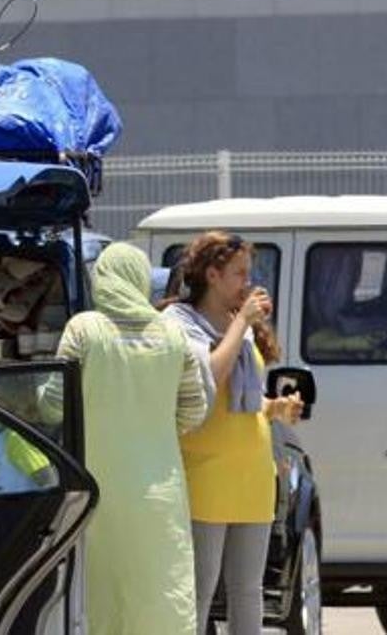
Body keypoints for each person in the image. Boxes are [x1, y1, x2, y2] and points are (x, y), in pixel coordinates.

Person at [48, 242, 208, 635]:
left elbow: (53, 404)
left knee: (101, 601)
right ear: (140, 281)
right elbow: (194, 410)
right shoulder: (173, 334)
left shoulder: (84, 330)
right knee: (160, 598)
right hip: (159, 498)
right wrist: (150, 426)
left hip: (96, 495)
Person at [160, 232, 302, 635]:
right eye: (239, 273)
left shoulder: (239, 324)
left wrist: (275, 407)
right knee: (200, 590)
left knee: (247, 591)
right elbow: (207, 376)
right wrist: (242, 323)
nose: (247, 282)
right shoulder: (182, 324)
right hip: (206, 476)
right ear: (212, 274)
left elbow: (244, 398)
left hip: (252, 478)